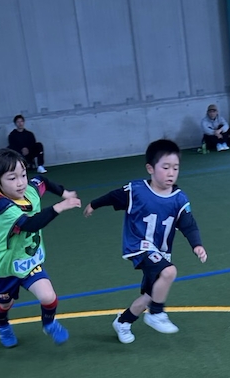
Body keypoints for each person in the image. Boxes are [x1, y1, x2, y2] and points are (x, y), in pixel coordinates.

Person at [82, 139, 207, 344]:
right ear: (150, 168)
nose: (171, 173)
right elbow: (113, 197)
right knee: (169, 272)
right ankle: (156, 314)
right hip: (139, 246)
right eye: (165, 167)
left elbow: (188, 224)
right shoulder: (137, 191)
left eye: (175, 168)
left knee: (151, 295)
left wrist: (197, 245)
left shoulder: (179, 199)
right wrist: (94, 204)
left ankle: (123, 322)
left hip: (160, 252)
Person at [0, 147, 81, 348]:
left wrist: (64, 192)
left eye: (23, 175)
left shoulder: (30, 190)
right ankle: (3, 326)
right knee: (5, 303)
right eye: (12, 178)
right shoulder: (4, 206)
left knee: (48, 296)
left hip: (29, 261)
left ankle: (49, 323)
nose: (20, 182)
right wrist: (60, 206)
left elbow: (42, 181)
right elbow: (30, 224)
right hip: (6, 267)